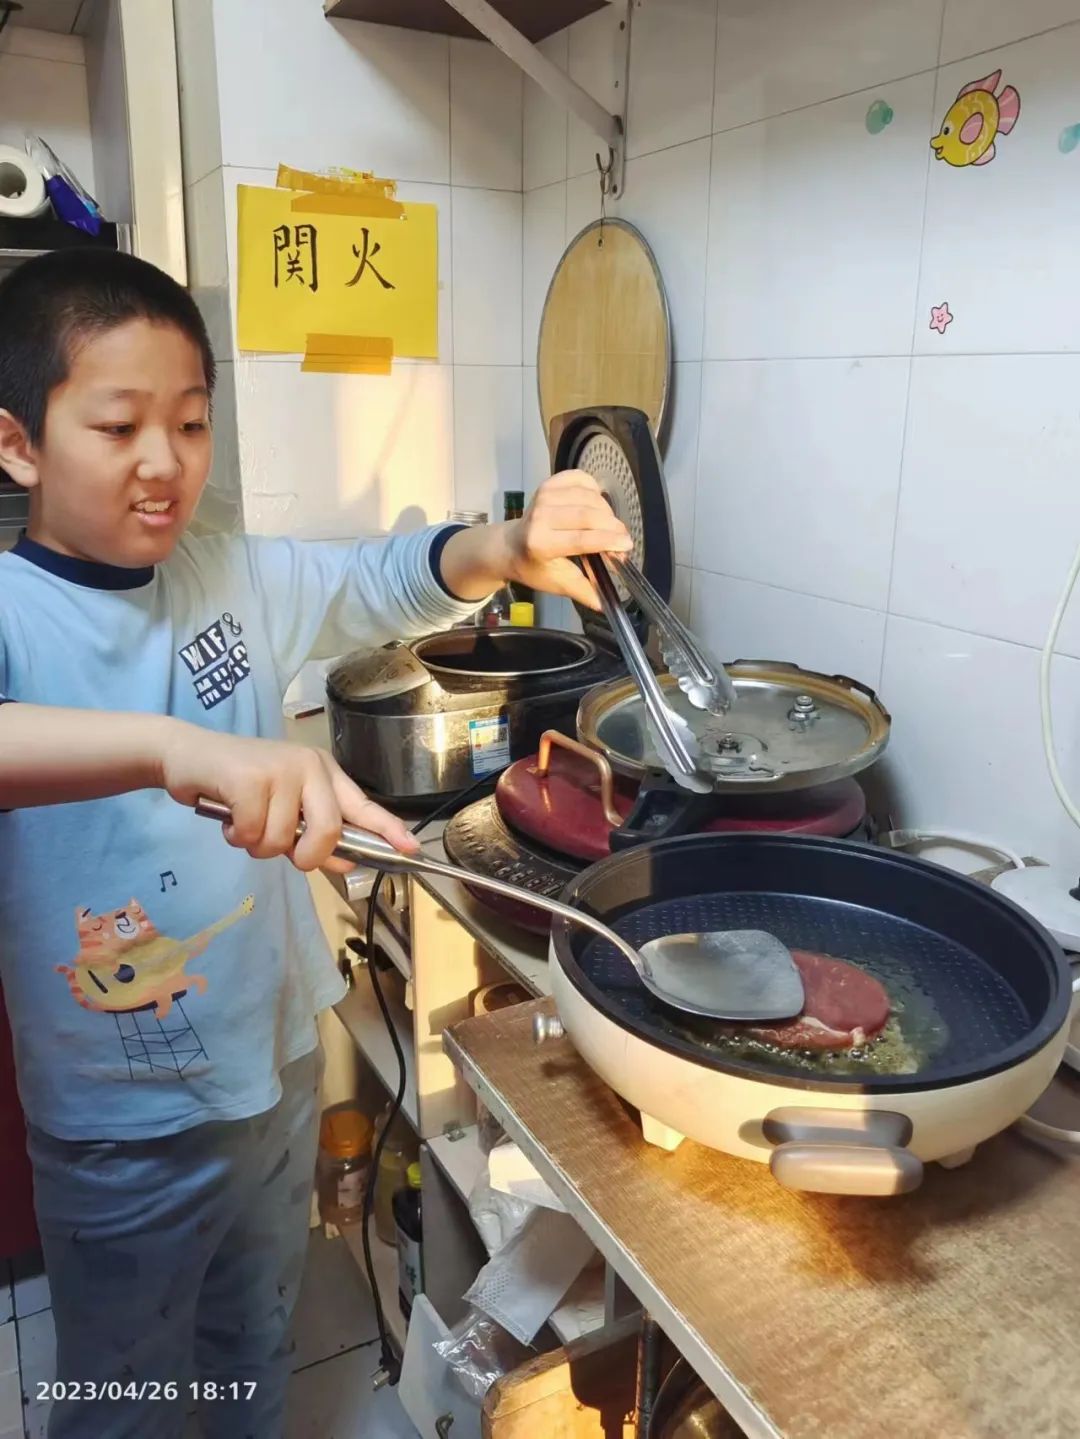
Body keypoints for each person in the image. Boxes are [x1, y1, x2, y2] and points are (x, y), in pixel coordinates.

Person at [0, 246, 632, 1439]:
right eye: (118, 423)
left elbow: (381, 577)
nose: (164, 463)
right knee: (123, 1389)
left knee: (251, 1341)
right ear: (19, 443)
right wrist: (173, 749)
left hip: (274, 1057)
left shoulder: (219, 566)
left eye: (191, 423)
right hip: (119, 1119)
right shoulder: (15, 611)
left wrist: (503, 551)